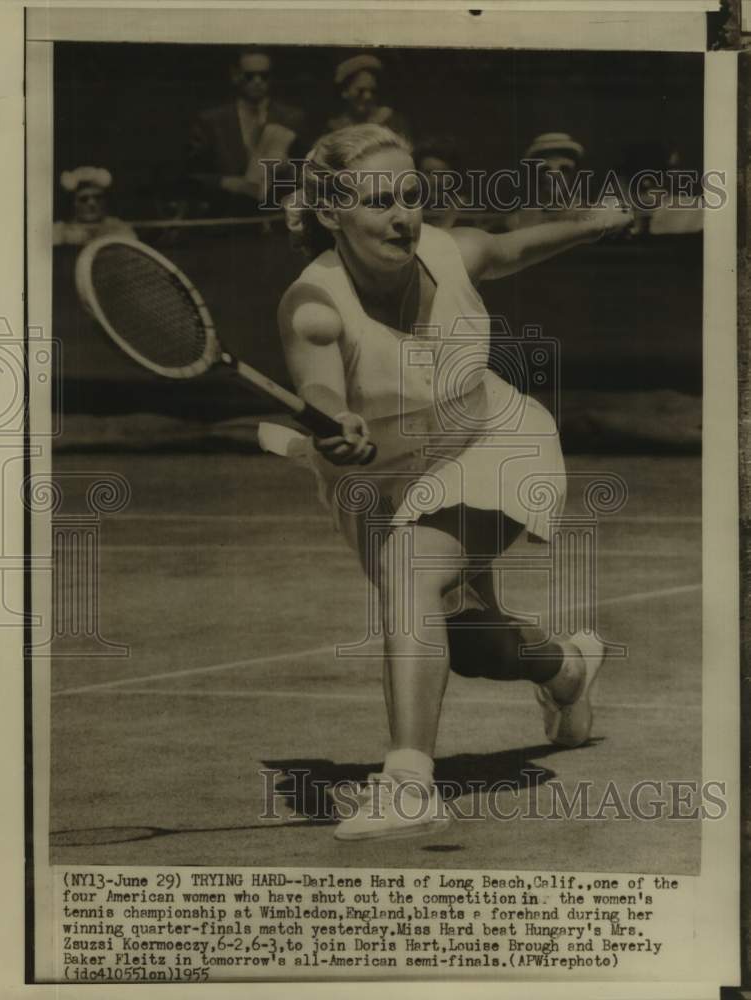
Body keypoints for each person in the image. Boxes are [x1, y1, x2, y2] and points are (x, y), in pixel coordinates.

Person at [273, 125, 631, 841]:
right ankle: (566, 668)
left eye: (411, 194)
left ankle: (408, 782)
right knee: (474, 649)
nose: (402, 214)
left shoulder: (448, 249)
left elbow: (509, 247)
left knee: (413, 569)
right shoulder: (314, 308)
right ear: (328, 213)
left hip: (494, 438)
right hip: (382, 482)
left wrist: (592, 224)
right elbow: (319, 389)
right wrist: (336, 423)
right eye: (378, 202)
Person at [186, 48, 305, 214]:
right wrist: (224, 182)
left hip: (276, 218)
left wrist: (288, 170)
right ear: (235, 75)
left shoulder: (292, 118)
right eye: (250, 75)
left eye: (264, 76)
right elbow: (190, 175)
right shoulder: (211, 121)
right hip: (227, 217)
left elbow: (309, 172)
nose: (257, 81)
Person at [507, 131, 586, 231]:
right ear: (535, 175)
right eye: (545, 169)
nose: (555, 176)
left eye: (564, 169)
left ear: (574, 173)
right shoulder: (518, 221)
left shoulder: (590, 214)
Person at [327, 53, 410, 138]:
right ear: (344, 92)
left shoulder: (389, 121)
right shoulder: (335, 129)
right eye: (360, 91)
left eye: (373, 91)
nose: (368, 97)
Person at [53, 167, 136, 246]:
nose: (92, 203)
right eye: (84, 199)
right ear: (73, 203)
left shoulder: (120, 229)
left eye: (98, 197)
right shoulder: (59, 232)